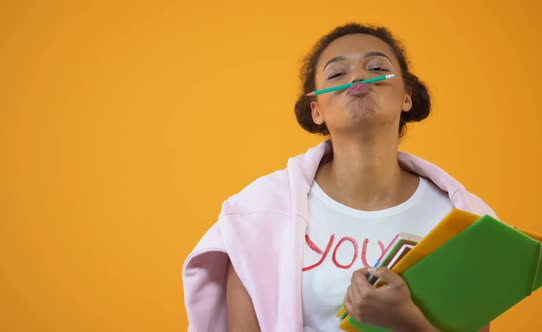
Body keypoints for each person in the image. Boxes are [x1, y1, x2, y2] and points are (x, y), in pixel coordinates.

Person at [182, 23, 494, 332]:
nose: (358, 77)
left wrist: (407, 321)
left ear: (407, 97)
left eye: (376, 68)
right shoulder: (258, 216)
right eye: (337, 74)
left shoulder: (464, 219)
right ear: (316, 110)